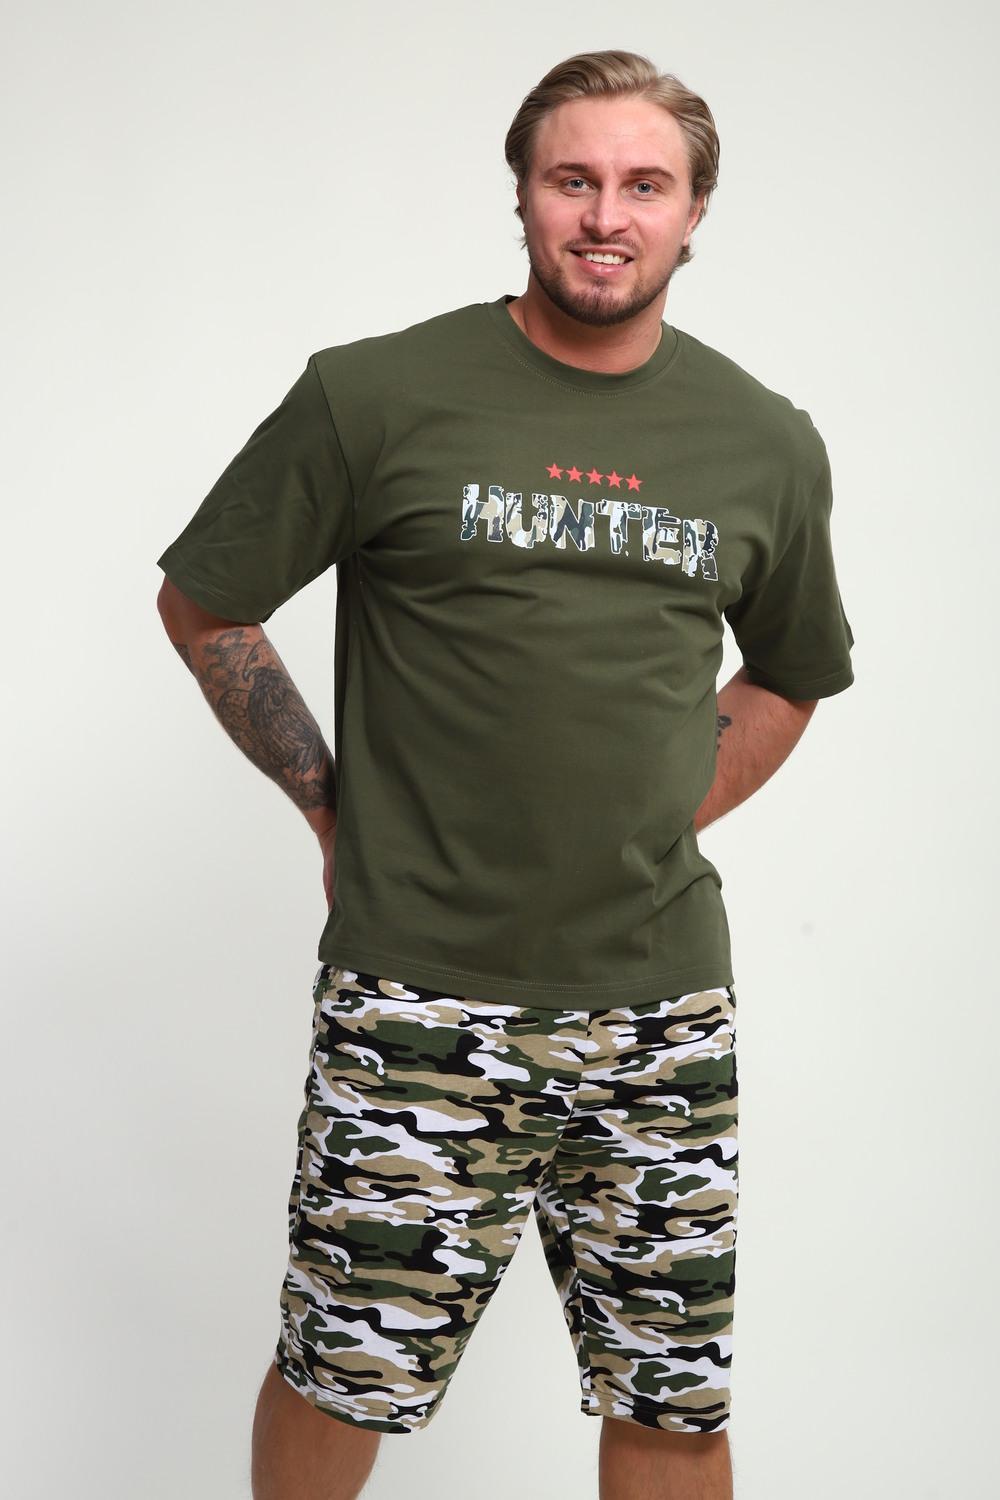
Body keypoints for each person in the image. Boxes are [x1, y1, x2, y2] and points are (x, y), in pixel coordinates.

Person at [156, 48, 854, 1500]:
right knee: (343, 1371)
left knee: (674, 1400)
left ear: (694, 211)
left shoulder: (765, 442)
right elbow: (208, 602)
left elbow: (789, 673)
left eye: (644, 185)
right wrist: (327, 803)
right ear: (524, 195)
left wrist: (655, 811)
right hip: (417, 992)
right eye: (572, 179)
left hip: (658, 1002)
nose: (606, 215)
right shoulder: (375, 395)